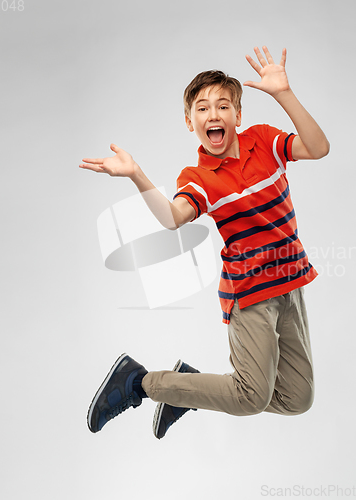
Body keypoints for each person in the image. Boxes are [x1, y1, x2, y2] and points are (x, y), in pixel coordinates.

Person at [80, 46, 330, 439]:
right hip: (250, 294)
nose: (213, 114)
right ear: (189, 122)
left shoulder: (264, 141)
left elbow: (318, 148)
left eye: (223, 106)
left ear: (238, 116)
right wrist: (136, 175)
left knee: (297, 398)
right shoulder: (199, 177)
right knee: (250, 397)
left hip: (290, 283)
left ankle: (188, 390)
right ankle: (140, 382)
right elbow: (172, 217)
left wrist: (283, 94)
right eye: (202, 108)